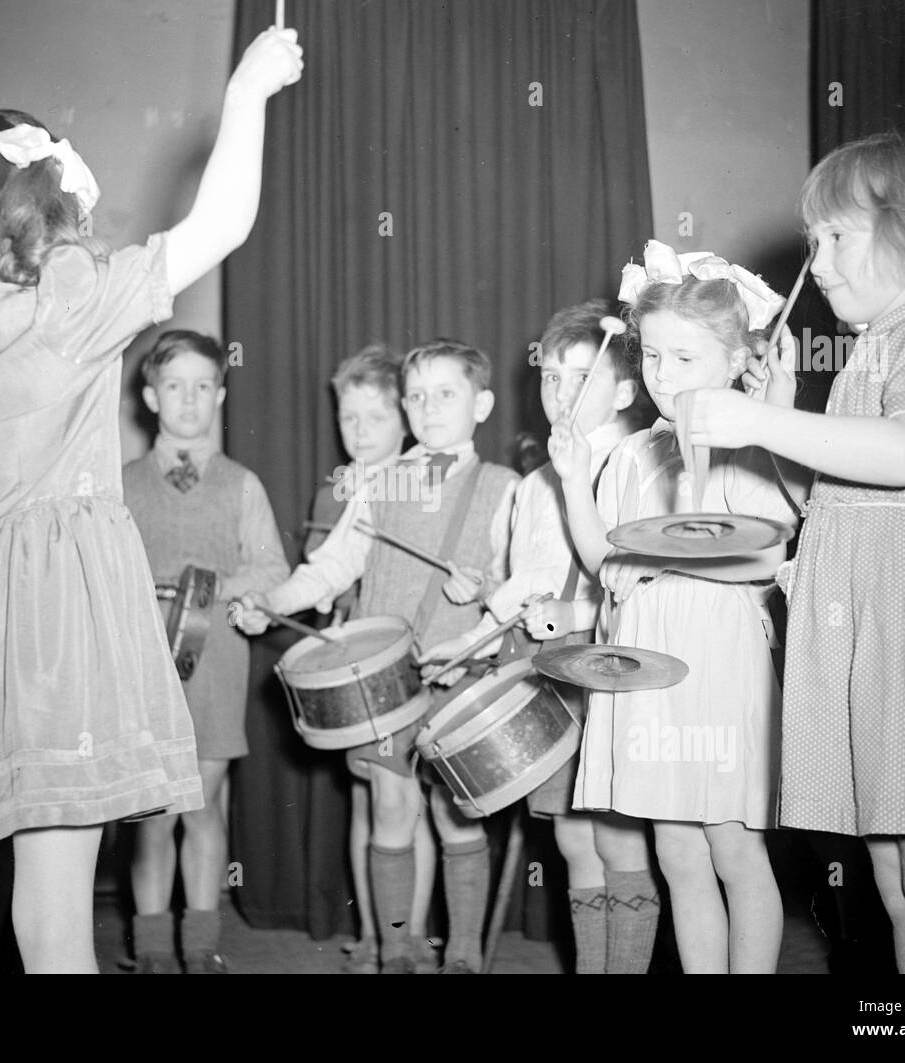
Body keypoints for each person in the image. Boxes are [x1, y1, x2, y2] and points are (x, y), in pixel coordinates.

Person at [0, 27, 303, 973]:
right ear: (36, 209)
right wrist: (245, 93)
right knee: (54, 930)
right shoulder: (63, 307)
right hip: (55, 631)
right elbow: (222, 225)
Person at [681, 128, 905, 973]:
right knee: (894, 882)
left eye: (837, 236)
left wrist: (760, 420)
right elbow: (841, 510)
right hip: (879, 646)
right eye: (814, 241)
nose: (820, 258)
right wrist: (781, 429)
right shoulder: (866, 353)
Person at [234, 339, 517, 973]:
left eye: (446, 394)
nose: (429, 408)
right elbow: (332, 565)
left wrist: (489, 595)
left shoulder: (507, 488)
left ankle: (466, 954)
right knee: (390, 809)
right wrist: (272, 597)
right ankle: (395, 950)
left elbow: (523, 589)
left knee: (457, 818)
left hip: (460, 675)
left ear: (482, 404)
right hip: (385, 684)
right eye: (416, 396)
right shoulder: (379, 483)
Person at [552, 241, 796, 972]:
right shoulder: (631, 457)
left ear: (732, 361)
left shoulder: (751, 444)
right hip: (650, 662)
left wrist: (656, 559)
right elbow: (605, 565)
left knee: (732, 846)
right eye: (651, 357)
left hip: (718, 659)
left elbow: (766, 558)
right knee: (676, 847)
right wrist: (571, 482)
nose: (662, 376)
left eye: (684, 360)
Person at [423, 300, 659, 973]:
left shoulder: (634, 464)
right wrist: (469, 640)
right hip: (540, 673)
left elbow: (623, 586)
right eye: (551, 377)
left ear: (622, 391)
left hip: (602, 674)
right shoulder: (530, 486)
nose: (559, 393)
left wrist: (561, 619)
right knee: (575, 844)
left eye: (580, 378)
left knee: (620, 844)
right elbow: (524, 586)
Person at [123, 328, 289, 973]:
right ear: (149, 396)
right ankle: (153, 949)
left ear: (219, 393)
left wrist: (212, 586)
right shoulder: (122, 485)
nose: (188, 401)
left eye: (202, 387)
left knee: (201, 806)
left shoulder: (242, 483)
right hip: (144, 669)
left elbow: (272, 569)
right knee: (153, 816)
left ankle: (200, 944)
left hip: (214, 663)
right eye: (173, 387)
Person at [304, 344, 437, 974]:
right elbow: (325, 578)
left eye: (374, 418)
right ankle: (372, 932)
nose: (359, 432)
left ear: (404, 422)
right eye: (348, 418)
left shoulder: (414, 483)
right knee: (368, 801)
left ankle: (406, 937)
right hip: (354, 670)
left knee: (407, 804)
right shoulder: (335, 490)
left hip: (404, 665)